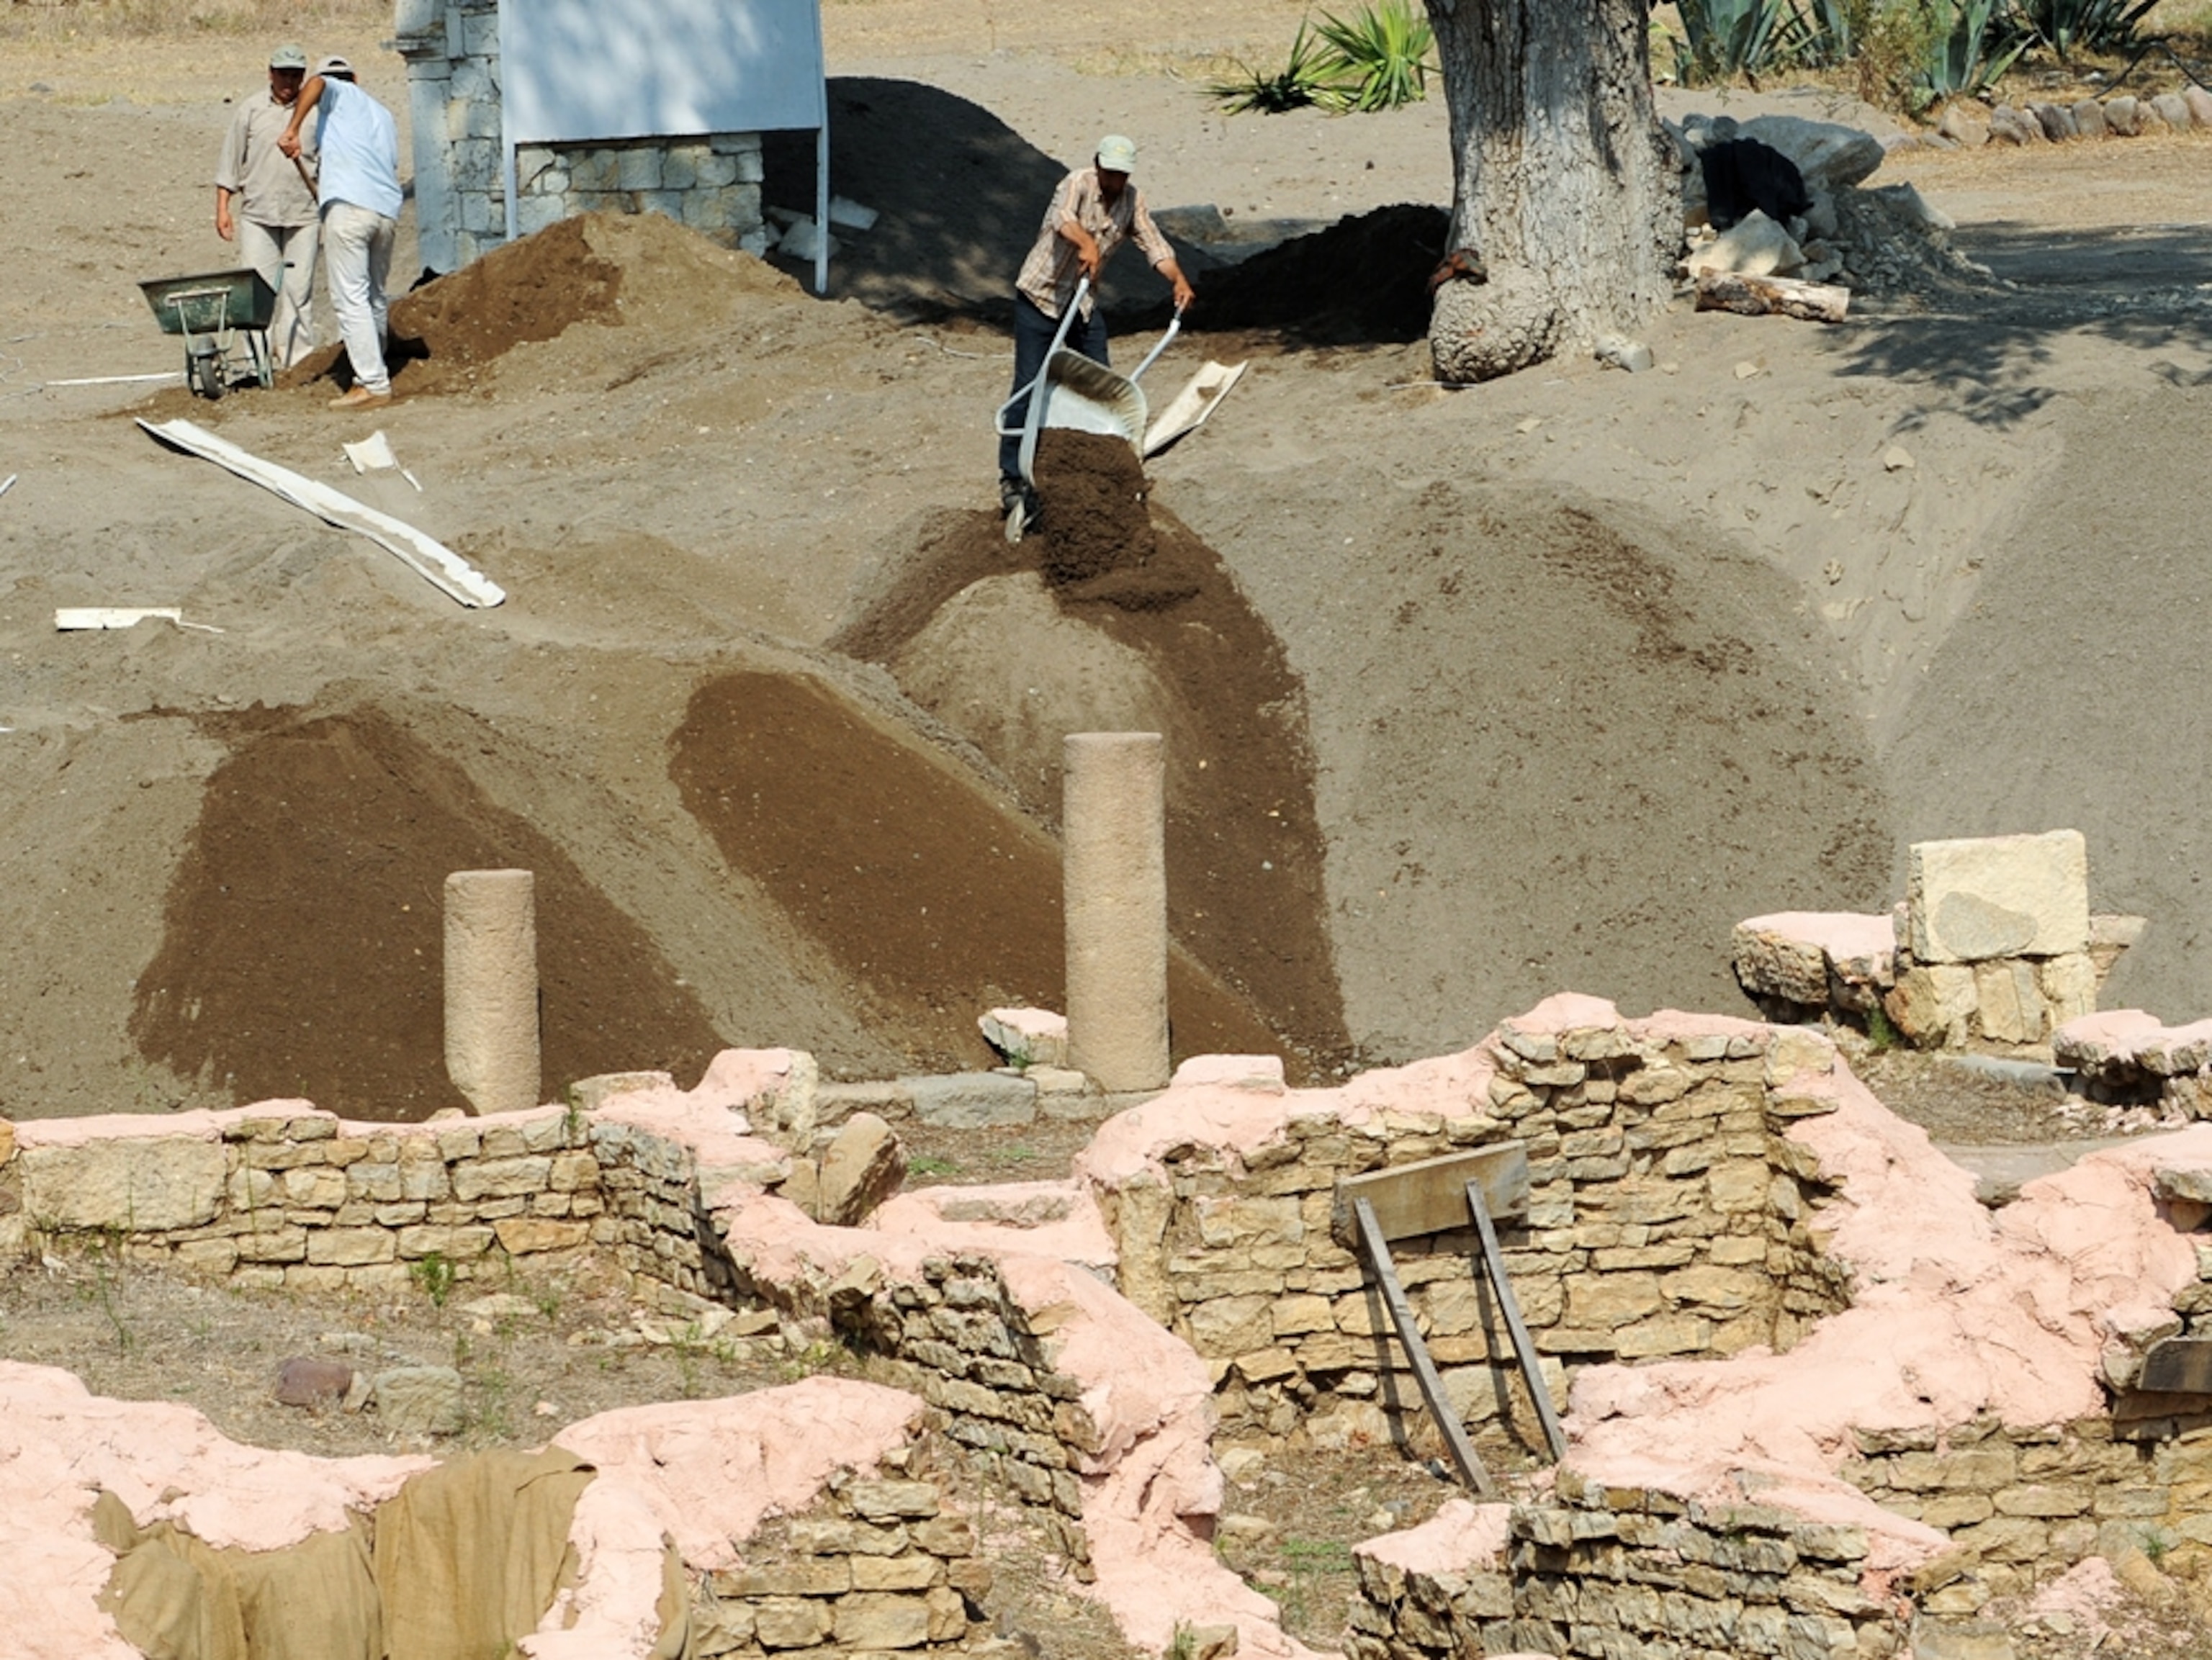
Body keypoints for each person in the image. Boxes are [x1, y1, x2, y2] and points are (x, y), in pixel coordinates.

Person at [999, 135, 1196, 533]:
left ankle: (1096, 471)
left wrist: (1177, 280)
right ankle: (1013, 478)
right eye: (1110, 172)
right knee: (1030, 384)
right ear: (1098, 164)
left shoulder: (1131, 200)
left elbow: (1153, 244)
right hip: (1042, 298)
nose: (1114, 181)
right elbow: (1063, 220)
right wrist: (1086, 242)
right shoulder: (1076, 183)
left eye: (1122, 175)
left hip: (1082, 305)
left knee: (1102, 386)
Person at [278, 55, 402, 410]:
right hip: (384, 210)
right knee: (375, 296)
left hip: (350, 209)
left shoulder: (336, 92)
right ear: (357, 76)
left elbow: (318, 84)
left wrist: (292, 128)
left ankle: (372, 383)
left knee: (351, 298)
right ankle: (376, 367)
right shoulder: (381, 114)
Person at [215, 43, 320, 370]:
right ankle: (257, 361)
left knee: (298, 291)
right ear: (270, 73)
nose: (289, 81)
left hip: (304, 215)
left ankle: (297, 361)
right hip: (259, 214)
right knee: (257, 294)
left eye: (295, 75)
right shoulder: (250, 110)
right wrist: (223, 208)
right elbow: (230, 161)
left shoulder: (314, 113)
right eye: (283, 73)